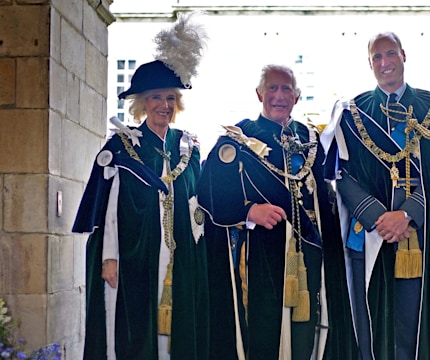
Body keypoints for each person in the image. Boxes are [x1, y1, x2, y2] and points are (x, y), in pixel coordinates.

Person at [72, 14, 209, 359]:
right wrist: (109, 258)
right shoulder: (121, 147)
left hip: (183, 260)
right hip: (136, 261)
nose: (164, 105)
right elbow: (108, 210)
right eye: (156, 98)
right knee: (136, 334)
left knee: (178, 332)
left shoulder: (189, 148)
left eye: (170, 98)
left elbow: (200, 204)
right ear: (141, 103)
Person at [197, 64, 357, 359]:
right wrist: (249, 211)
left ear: (297, 97)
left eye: (286, 89)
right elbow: (208, 194)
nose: (279, 96)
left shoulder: (310, 140)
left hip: (312, 258)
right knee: (264, 335)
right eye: (272, 88)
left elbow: (327, 198)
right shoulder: (239, 139)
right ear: (259, 93)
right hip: (261, 259)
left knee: (310, 335)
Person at [321, 32, 430, 360]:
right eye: (377, 57)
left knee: (416, 324)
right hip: (370, 236)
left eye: (390, 54)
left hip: (420, 238)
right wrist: (377, 218)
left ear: (403, 55)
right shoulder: (351, 112)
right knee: (373, 325)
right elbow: (341, 176)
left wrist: (407, 215)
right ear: (369, 63)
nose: (384, 63)